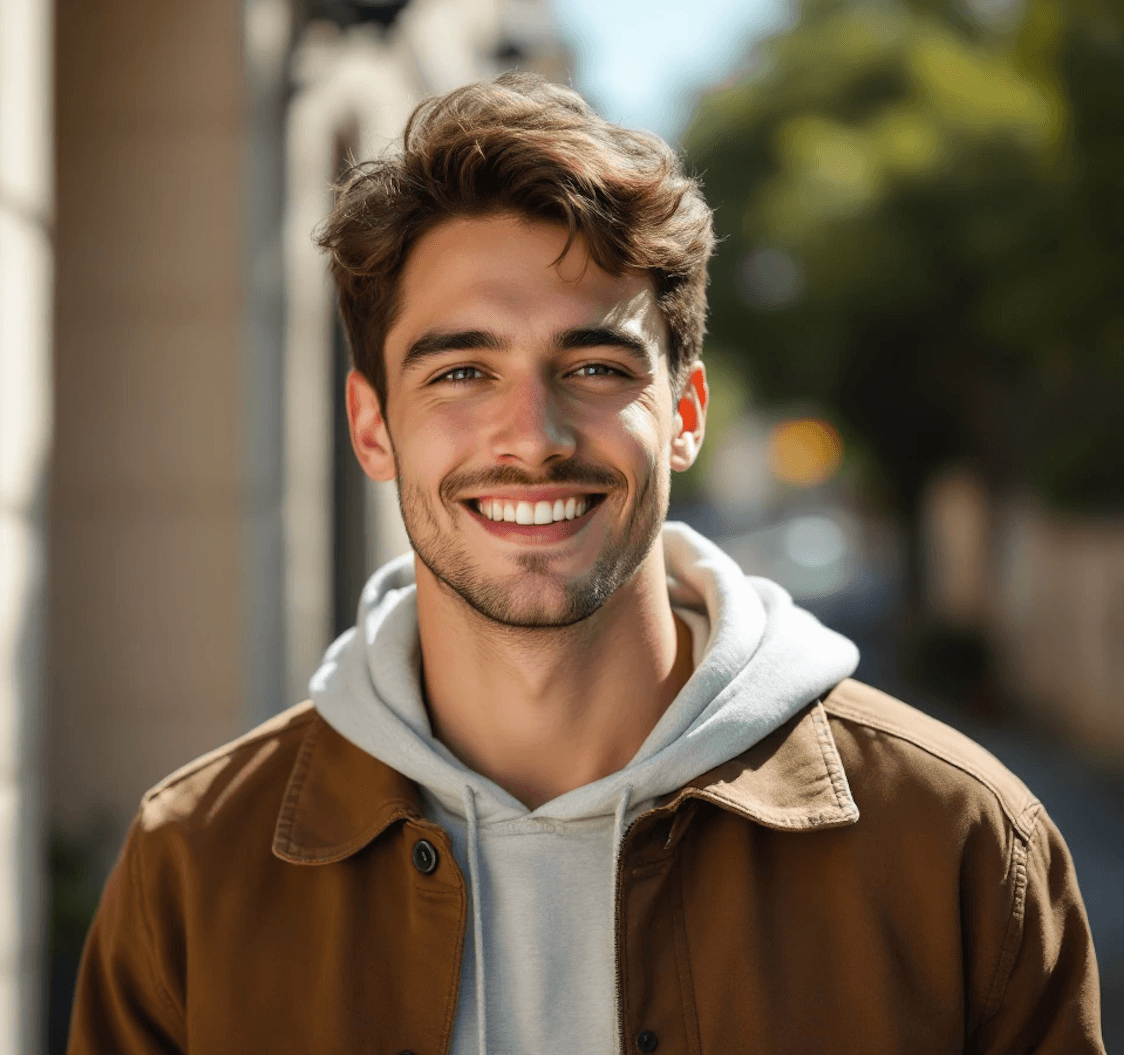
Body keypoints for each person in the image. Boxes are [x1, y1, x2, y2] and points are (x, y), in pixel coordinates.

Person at [68, 73, 1104, 1054]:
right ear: (373, 428)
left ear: (685, 415)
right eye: (463, 370)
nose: (533, 435)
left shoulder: (959, 844)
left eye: (596, 366)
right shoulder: (195, 868)